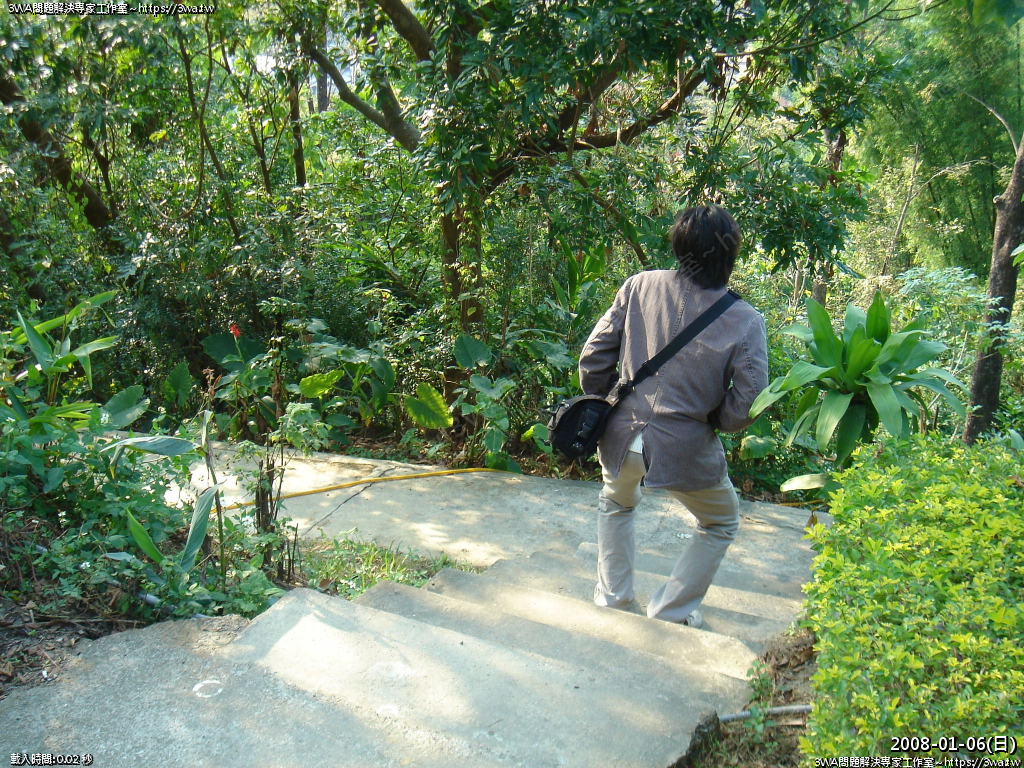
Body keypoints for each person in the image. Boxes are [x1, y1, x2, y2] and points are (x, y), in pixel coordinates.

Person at [577, 204, 769, 628]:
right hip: (685, 448)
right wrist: (713, 421)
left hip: (621, 435)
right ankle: (669, 611)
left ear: (680, 247)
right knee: (720, 521)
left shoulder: (639, 286)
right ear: (730, 254)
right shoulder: (745, 319)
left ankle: (613, 599)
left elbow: (593, 357)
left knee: (616, 503)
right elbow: (749, 401)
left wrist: (603, 402)